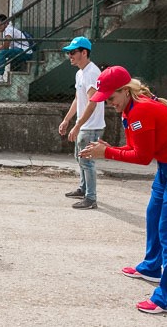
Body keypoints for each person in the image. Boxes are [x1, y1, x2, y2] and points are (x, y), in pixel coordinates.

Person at [79, 66, 167, 314]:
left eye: (111, 97)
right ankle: (153, 266)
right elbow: (135, 147)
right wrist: (110, 148)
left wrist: (106, 152)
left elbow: (142, 158)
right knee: (154, 215)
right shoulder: (129, 109)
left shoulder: (141, 111)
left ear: (125, 91)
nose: (108, 103)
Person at [58, 36, 105, 209]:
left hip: (91, 126)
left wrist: (77, 126)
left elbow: (92, 103)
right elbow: (79, 99)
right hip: (85, 125)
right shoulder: (80, 73)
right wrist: (67, 120)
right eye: (69, 53)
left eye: (73, 52)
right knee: (80, 159)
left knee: (87, 162)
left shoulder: (92, 72)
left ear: (84, 53)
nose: (70, 56)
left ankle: (91, 198)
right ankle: (83, 189)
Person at [0, 14, 31, 84]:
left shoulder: (9, 29)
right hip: (21, 51)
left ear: (6, 23)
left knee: (2, 53)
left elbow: (6, 46)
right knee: (2, 53)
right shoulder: (6, 31)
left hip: (26, 52)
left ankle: (0, 76)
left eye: (0, 25)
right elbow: (6, 46)